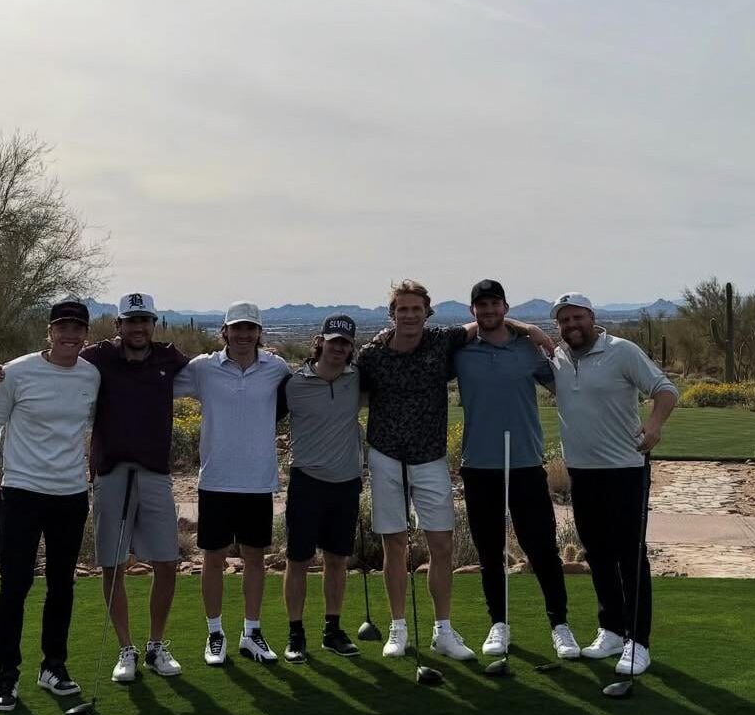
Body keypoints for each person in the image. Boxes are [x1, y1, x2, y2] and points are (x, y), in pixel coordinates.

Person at [0, 292, 191, 684]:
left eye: (145, 321)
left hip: (153, 473)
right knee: (111, 564)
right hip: (108, 473)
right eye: (130, 321)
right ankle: (125, 649)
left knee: (166, 561)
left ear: (154, 324)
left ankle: (156, 645)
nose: (138, 328)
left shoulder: (170, 359)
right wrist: (2, 372)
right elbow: (54, 356)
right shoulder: (99, 360)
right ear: (117, 327)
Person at [356, 279, 553, 662]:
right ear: (392, 314)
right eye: (402, 309)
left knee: (442, 545)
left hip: (430, 457)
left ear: (427, 313)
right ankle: (398, 629)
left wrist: (529, 328)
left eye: (416, 309)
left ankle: (442, 631)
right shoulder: (372, 354)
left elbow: (488, 322)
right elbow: (353, 392)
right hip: (385, 456)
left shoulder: (443, 341)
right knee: (394, 544)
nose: (409, 315)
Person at [0, 299, 99, 713]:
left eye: (77, 328)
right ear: (49, 331)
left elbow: (101, 424)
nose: (70, 335)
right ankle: (5, 678)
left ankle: (54, 667)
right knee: (14, 587)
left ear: (86, 333)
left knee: (62, 585)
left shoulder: (91, 375)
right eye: (62, 327)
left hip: (70, 495)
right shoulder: (15, 372)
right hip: (22, 492)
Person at [548, 292, 678, 677]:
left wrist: (653, 426)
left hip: (625, 468)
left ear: (592, 317)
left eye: (577, 318)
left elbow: (666, 390)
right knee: (597, 553)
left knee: (630, 556)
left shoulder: (622, 351)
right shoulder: (557, 357)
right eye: (564, 321)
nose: (572, 326)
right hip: (582, 471)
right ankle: (612, 630)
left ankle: (639, 642)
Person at [451, 279, 580, 661]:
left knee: (541, 548)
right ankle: (499, 624)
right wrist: (529, 326)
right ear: (472, 311)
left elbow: (565, 387)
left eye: (494, 304)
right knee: (489, 551)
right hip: (479, 465)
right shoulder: (460, 352)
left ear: (506, 307)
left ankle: (560, 625)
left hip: (525, 463)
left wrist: (532, 332)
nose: (488, 311)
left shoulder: (528, 350)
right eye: (481, 306)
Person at [178, 302, 291, 667]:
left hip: (258, 483)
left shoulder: (277, 369)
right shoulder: (203, 369)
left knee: (255, 558)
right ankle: (215, 633)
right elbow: (156, 383)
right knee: (213, 559)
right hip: (216, 480)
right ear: (224, 331)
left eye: (250, 329)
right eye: (236, 328)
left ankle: (251, 632)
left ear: (259, 333)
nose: (243, 335)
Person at [280, 314, 364, 663]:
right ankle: (295, 633)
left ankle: (332, 629)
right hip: (307, 482)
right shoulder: (294, 384)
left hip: (346, 483)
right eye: (333, 342)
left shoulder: (357, 379)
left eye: (345, 343)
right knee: (298, 560)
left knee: (336, 560)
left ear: (350, 348)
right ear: (321, 342)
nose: (338, 349)